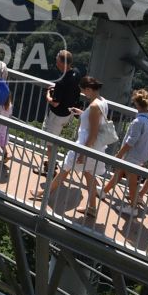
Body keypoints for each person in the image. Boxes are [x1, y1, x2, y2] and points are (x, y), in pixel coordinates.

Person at [44, 78, 109, 213]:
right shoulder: (102, 102)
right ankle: (92, 207)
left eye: (84, 91)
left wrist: (82, 154)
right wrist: (81, 113)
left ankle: (44, 195)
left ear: (89, 89)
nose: (83, 94)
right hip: (93, 147)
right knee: (88, 175)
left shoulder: (95, 106)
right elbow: (94, 122)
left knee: (65, 168)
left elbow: (93, 133)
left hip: (85, 145)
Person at [100, 89, 148, 219]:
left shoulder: (138, 122)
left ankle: (133, 208)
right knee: (120, 172)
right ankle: (104, 191)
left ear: (136, 104)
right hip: (142, 153)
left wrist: (119, 155)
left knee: (132, 182)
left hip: (134, 155)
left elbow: (131, 142)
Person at [43, 49, 83, 153]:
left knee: (50, 142)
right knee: (55, 139)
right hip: (68, 113)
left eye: (57, 61)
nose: (56, 63)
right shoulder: (77, 73)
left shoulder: (61, 81)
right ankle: (50, 163)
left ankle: (50, 167)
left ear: (62, 63)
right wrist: (56, 88)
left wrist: (48, 94)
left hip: (57, 115)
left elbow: (55, 103)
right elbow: (71, 89)